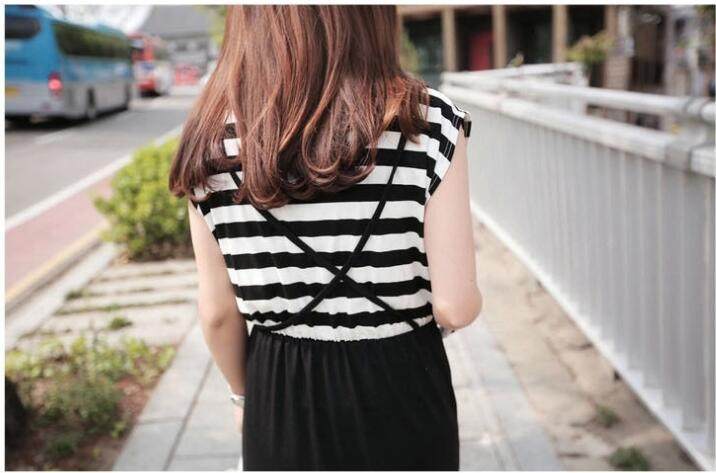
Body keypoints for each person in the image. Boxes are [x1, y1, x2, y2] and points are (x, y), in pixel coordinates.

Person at [169, 5, 482, 470]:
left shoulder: (213, 140)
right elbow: (456, 306)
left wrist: (242, 398)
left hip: (279, 390)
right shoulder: (429, 120)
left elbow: (217, 314)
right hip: (403, 378)